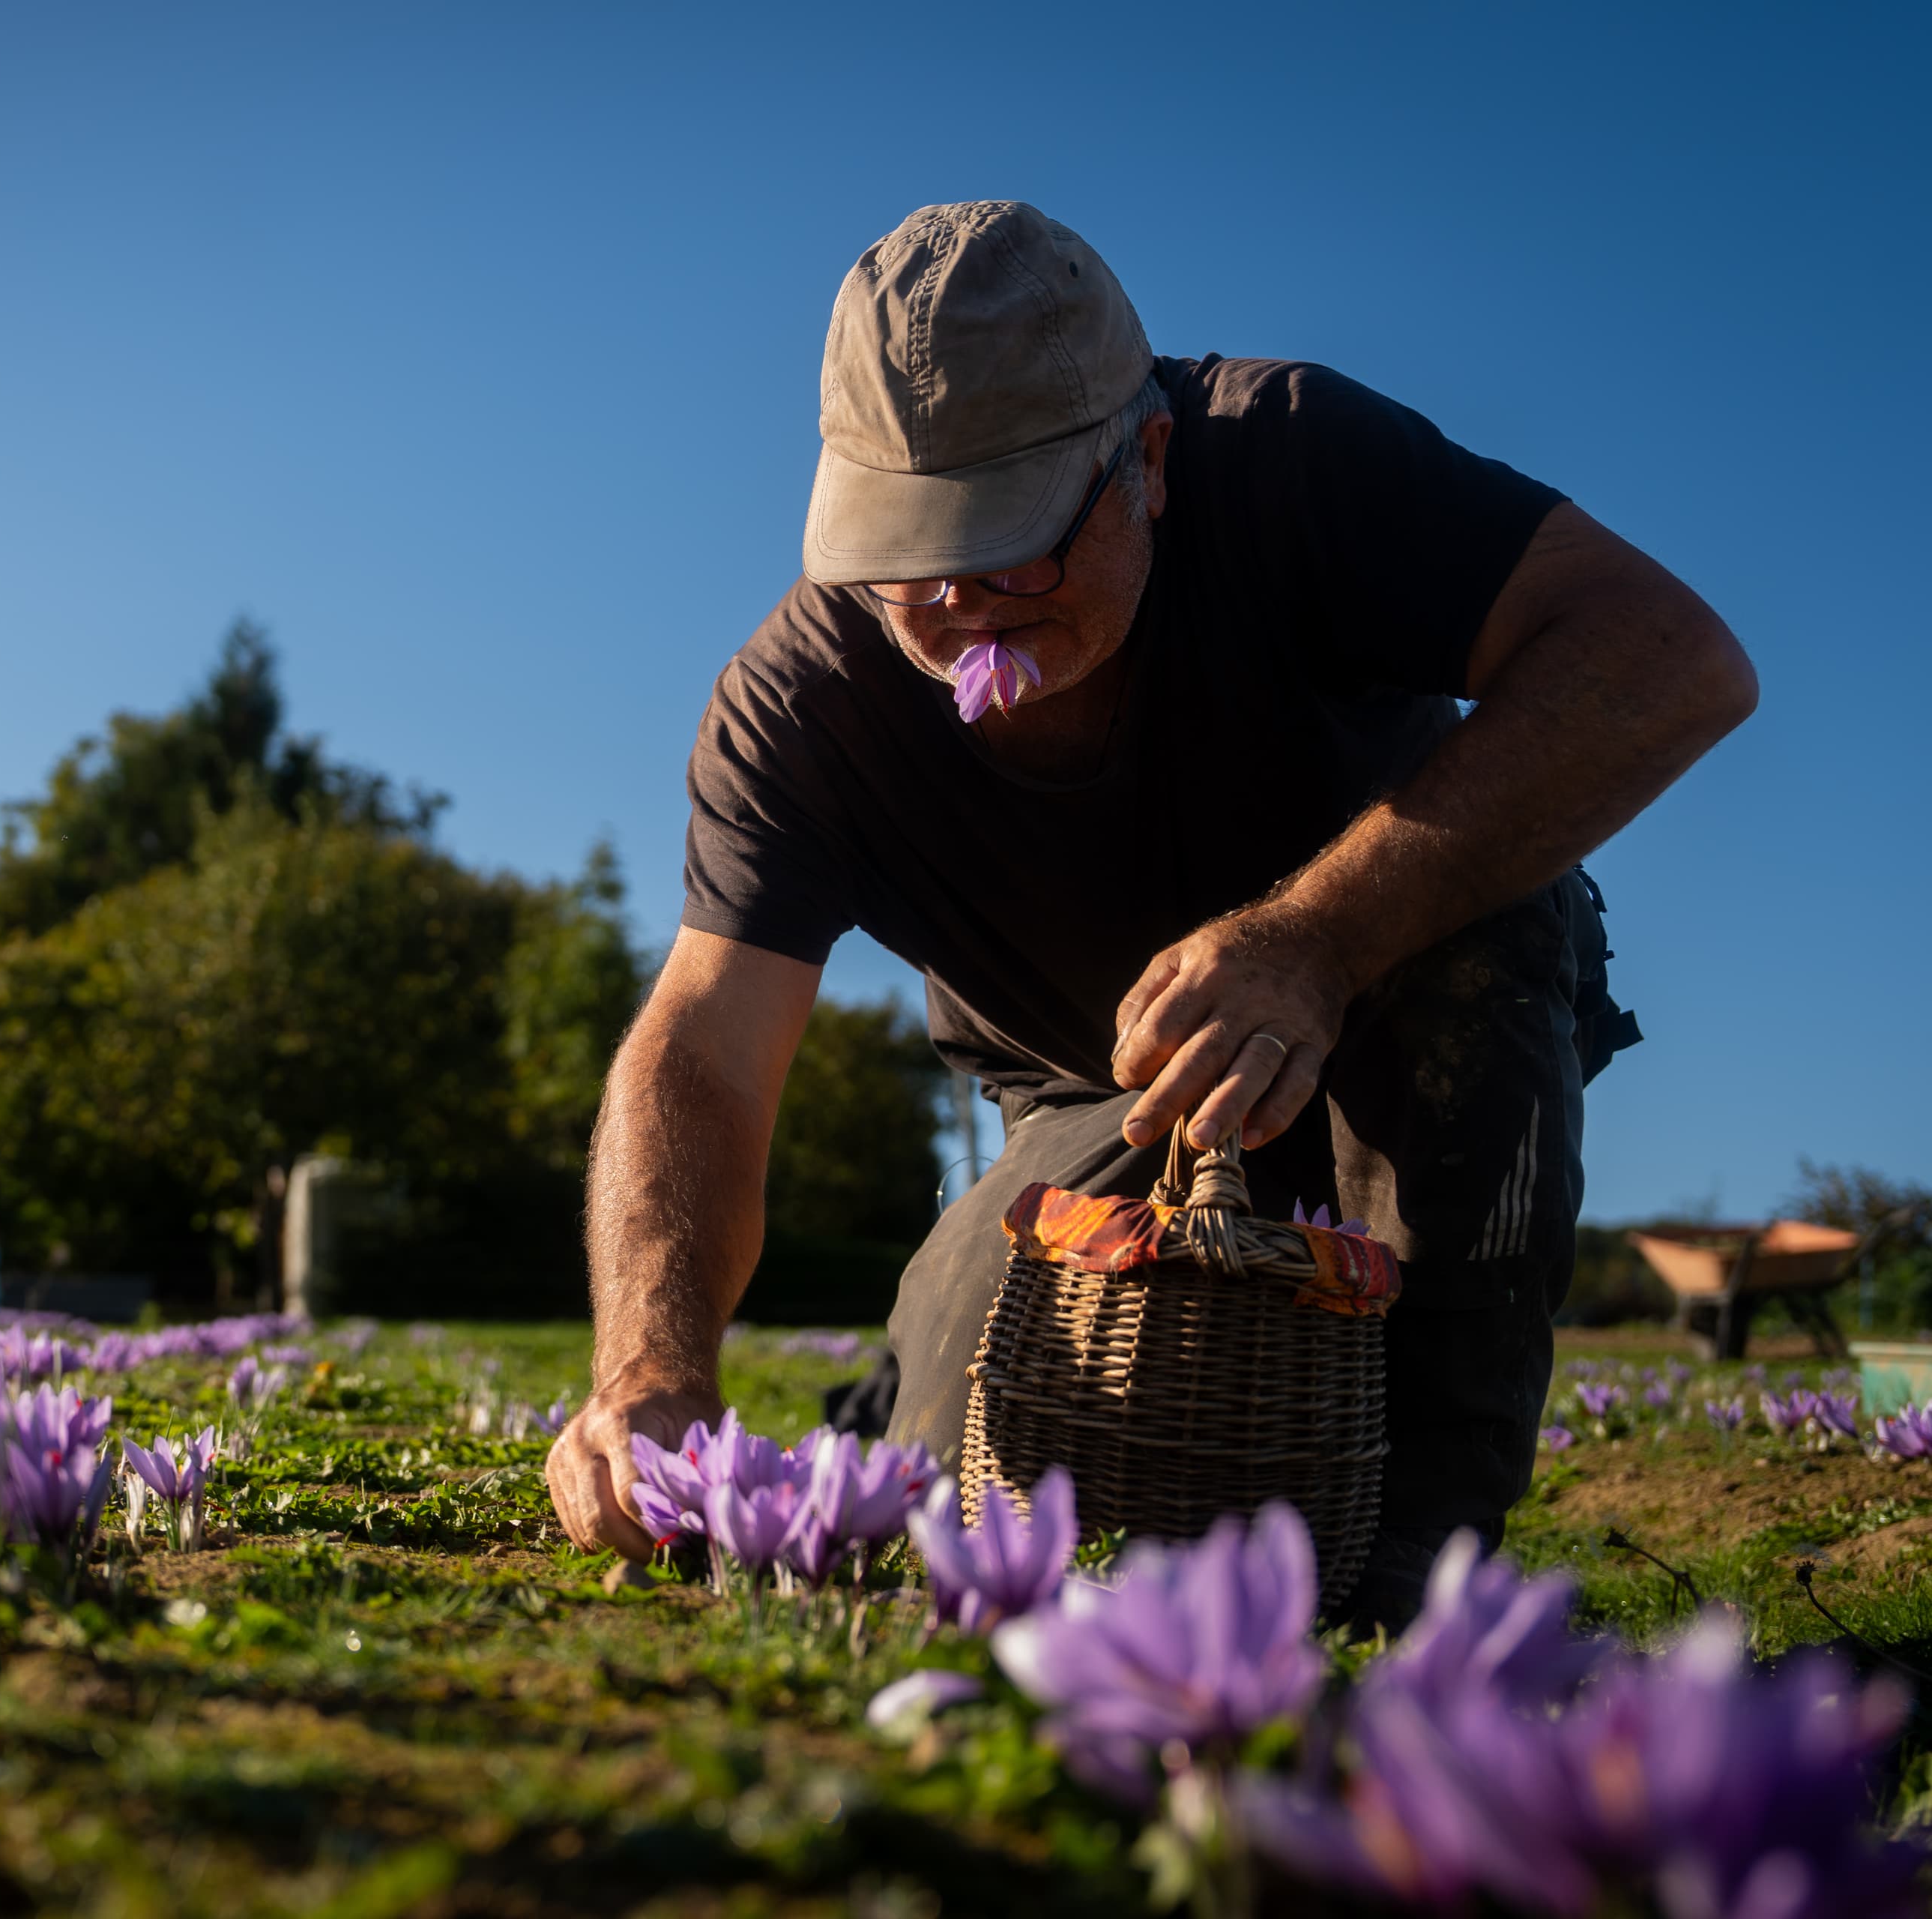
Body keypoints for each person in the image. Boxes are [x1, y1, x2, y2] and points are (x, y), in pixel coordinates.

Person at [543, 201, 1756, 1624]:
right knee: (954, 1494)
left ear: (1151, 464)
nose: (958, 612)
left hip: (1393, 1009)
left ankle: (1420, 1545)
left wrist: (1317, 937)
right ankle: (902, 1389)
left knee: (1484, 945)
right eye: (905, 556)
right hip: (1093, 1100)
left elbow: (1672, 656)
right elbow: (704, 1047)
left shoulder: (1295, 461)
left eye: (1011, 548)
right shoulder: (805, 703)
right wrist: (650, 1362)